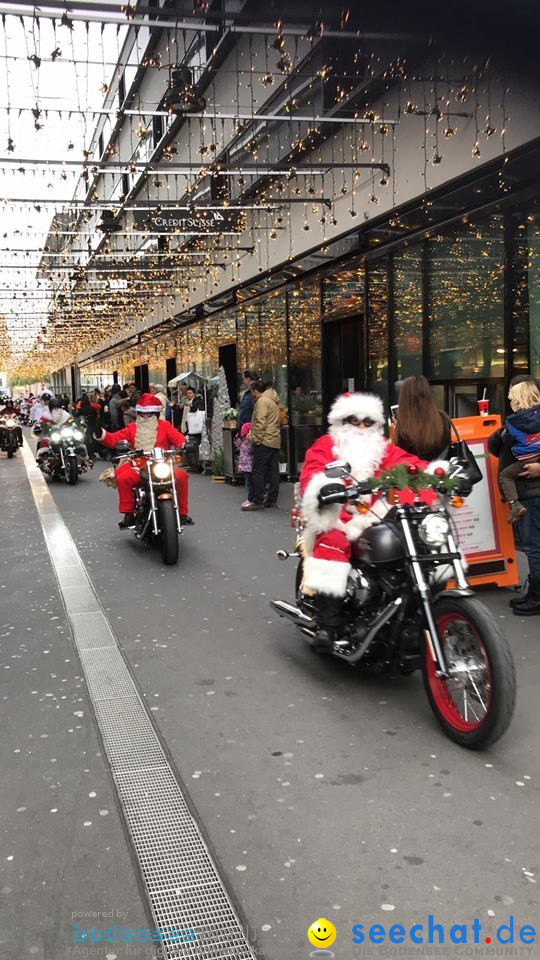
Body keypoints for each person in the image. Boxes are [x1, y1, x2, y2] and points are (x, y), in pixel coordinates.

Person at [299, 391, 434, 650]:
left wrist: (436, 474)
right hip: (338, 513)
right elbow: (313, 470)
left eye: (367, 422)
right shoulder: (327, 445)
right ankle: (328, 624)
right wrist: (324, 488)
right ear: (341, 422)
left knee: (416, 540)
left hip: (375, 514)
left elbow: (407, 463)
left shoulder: (382, 449)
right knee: (334, 540)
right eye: (354, 420)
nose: (361, 427)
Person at [94, 392, 193, 529]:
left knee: (181, 477)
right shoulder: (132, 428)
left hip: (162, 463)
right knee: (123, 478)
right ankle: (128, 514)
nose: (145, 417)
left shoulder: (165, 426)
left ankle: (182, 513)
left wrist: (184, 445)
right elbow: (113, 439)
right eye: (142, 414)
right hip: (139, 465)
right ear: (138, 414)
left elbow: (178, 437)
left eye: (149, 414)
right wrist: (99, 431)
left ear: (156, 414)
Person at [489, 375, 540, 615]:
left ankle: (537, 597)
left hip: (530, 492)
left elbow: (495, 447)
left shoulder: (514, 425)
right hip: (530, 491)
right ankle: (534, 593)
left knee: (533, 546)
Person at [498, 379, 540, 523]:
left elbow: (507, 441)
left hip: (526, 459)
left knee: (506, 476)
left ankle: (515, 505)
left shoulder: (511, 421)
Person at [242, 380, 281, 511]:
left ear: (255, 391)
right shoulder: (272, 400)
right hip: (274, 439)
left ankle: (258, 500)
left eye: (252, 391)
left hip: (264, 440)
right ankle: (272, 498)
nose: (252, 394)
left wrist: (255, 439)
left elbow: (260, 422)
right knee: (273, 471)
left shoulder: (262, 401)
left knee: (258, 470)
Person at [393, 375, 451, 461]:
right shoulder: (442, 418)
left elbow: (400, 455)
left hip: (413, 472)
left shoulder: (403, 424)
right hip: (440, 470)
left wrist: (394, 430)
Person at [235, 422, 254, 508]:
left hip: (248, 467)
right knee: (249, 483)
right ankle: (250, 498)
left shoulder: (247, 443)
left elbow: (240, 447)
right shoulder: (245, 442)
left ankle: (250, 499)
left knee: (249, 484)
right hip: (247, 467)